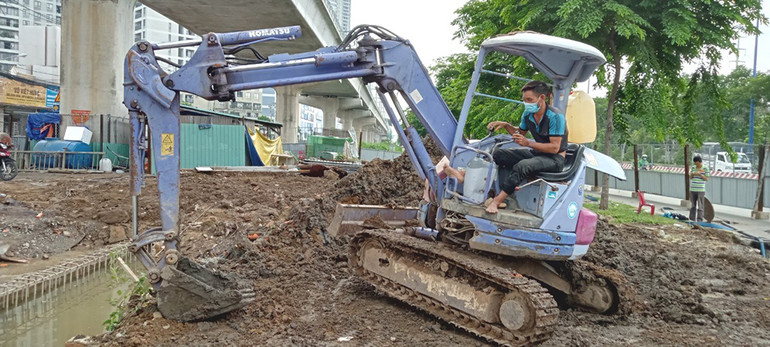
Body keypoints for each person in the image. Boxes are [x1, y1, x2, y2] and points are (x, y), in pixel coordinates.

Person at [485, 80, 567, 213]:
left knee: (523, 165)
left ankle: (497, 202)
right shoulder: (528, 114)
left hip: (555, 159)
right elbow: (519, 133)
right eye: (524, 100)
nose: (526, 103)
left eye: (529, 99)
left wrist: (528, 143)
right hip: (537, 153)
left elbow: (554, 148)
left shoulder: (556, 117)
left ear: (542, 98)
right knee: (498, 154)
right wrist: (506, 125)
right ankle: (488, 189)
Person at [689, 156, 709, 221]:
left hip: (700, 189)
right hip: (693, 189)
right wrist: (693, 174)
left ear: (700, 162)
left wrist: (700, 175)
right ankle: (692, 219)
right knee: (692, 205)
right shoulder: (693, 168)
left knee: (700, 205)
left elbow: (706, 179)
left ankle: (699, 219)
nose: (696, 165)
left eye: (697, 163)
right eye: (695, 163)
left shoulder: (705, 168)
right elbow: (690, 177)